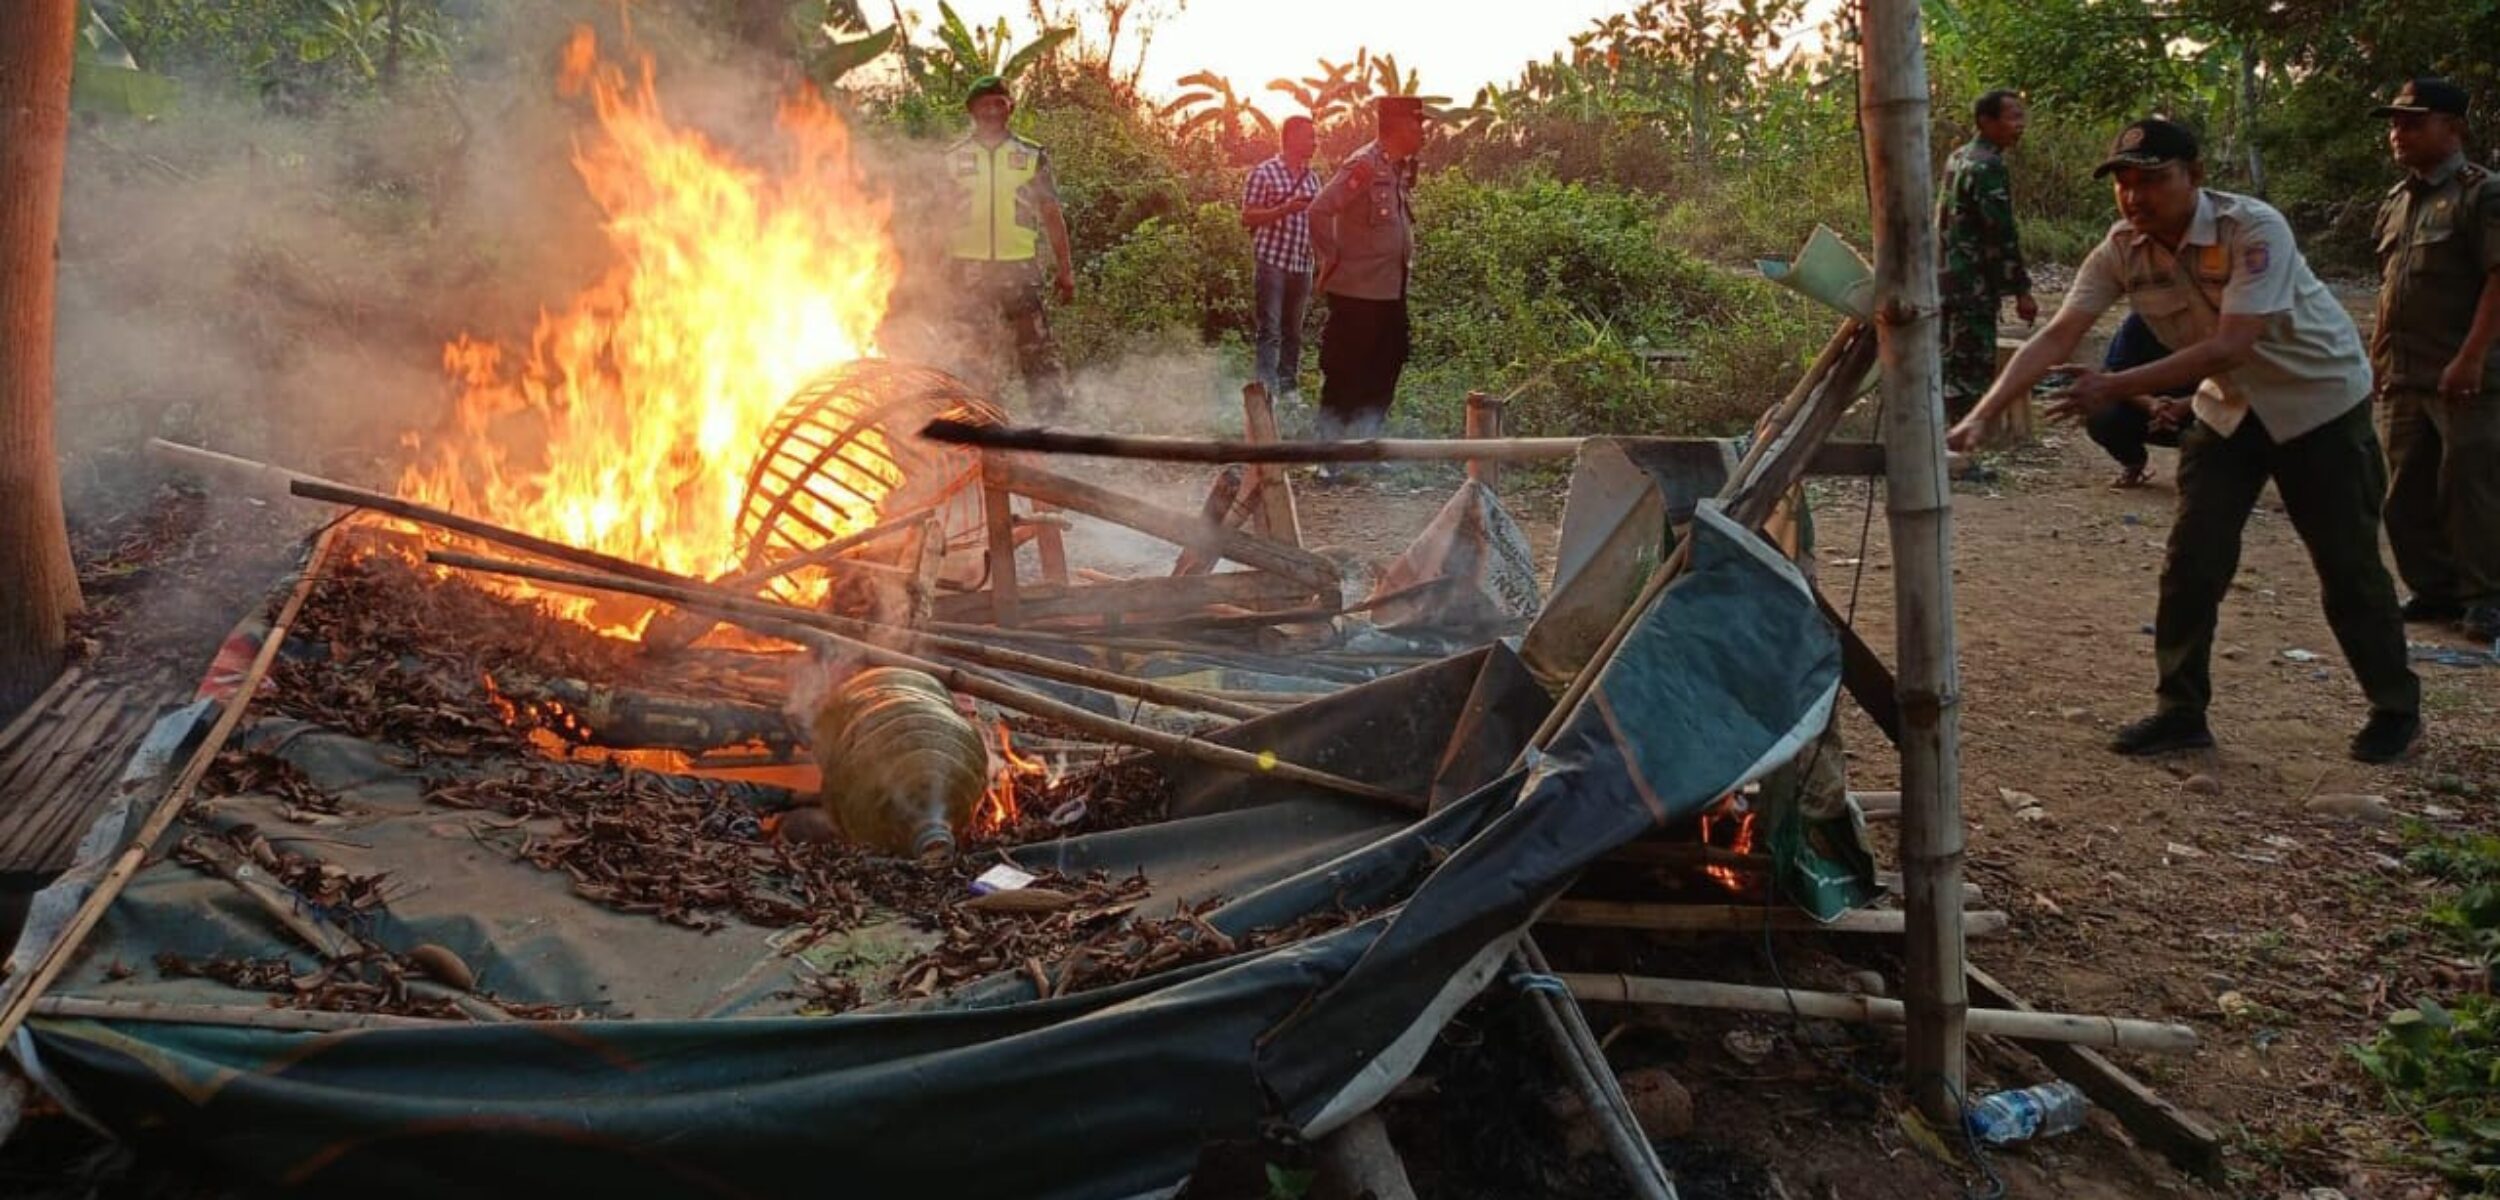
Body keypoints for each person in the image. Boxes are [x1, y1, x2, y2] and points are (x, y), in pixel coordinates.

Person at [1948, 118, 2423, 764]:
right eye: (2124, 183)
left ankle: (2395, 708)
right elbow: (2058, 336)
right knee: (2192, 563)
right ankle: (2180, 710)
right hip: (2228, 408)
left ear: (2194, 176)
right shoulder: (2122, 248)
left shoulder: (2251, 229)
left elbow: (2233, 341)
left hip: (2318, 404)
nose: (2135, 196)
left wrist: (2114, 385)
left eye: (2153, 180)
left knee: (2348, 568)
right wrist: (1983, 413)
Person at [2370, 76, 2500, 643]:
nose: (2399, 133)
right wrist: (2376, 356)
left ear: (2454, 128)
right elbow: (2389, 285)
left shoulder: (2481, 193)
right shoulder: (2399, 201)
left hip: (2464, 373)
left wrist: (2472, 357)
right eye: (2396, 122)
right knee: (2404, 491)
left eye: (2413, 122)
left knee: (2469, 486)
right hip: (2405, 371)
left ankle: (2486, 596)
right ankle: (2433, 587)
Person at [945, 75, 1077, 417]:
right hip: (968, 268)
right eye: (984, 103)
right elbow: (936, 215)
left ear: (1010, 108)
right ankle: (982, 420)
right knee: (973, 350)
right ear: (972, 110)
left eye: (999, 103)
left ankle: (1051, 424)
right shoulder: (953, 158)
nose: (992, 110)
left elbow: (1050, 212)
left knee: (1036, 348)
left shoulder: (1031, 155)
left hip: (1019, 267)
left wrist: (1066, 269)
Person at [1309, 95, 1425, 471]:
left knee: (1385, 367)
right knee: (1345, 371)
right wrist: (1331, 257)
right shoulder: (1364, 165)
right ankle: (1329, 458)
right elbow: (1320, 209)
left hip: (1390, 292)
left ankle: (1367, 449)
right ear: (1395, 126)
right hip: (1357, 293)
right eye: (1415, 124)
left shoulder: (1397, 169)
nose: (1421, 131)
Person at [1936, 90, 2041, 421]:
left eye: (2021, 117)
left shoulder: (1958, 157)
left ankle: (1943, 449)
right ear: (1986, 121)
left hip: (1945, 279)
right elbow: (2000, 232)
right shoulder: (1988, 165)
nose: (2019, 125)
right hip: (1972, 284)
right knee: (1970, 370)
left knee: (1947, 362)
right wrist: (2021, 291)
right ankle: (1960, 454)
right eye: (2012, 118)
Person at [1241, 116, 1323, 407]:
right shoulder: (1264, 173)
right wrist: (1284, 209)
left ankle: (1289, 389)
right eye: (1310, 137)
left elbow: (1317, 224)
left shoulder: (1313, 179)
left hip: (1302, 265)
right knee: (1270, 330)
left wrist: (1323, 261)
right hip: (1272, 261)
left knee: (1293, 332)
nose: (1315, 142)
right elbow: (1247, 216)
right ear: (1291, 138)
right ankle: (1265, 393)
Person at [2082, 313, 2198, 488]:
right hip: (2147, 410)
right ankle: (2133, 463)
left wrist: (2187, 404)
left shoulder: (2218, 323)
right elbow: (2115, 373)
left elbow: (2236, 386)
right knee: (2101, 413)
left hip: (2201, 409)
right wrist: (2152, 405)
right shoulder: (2140, 322)